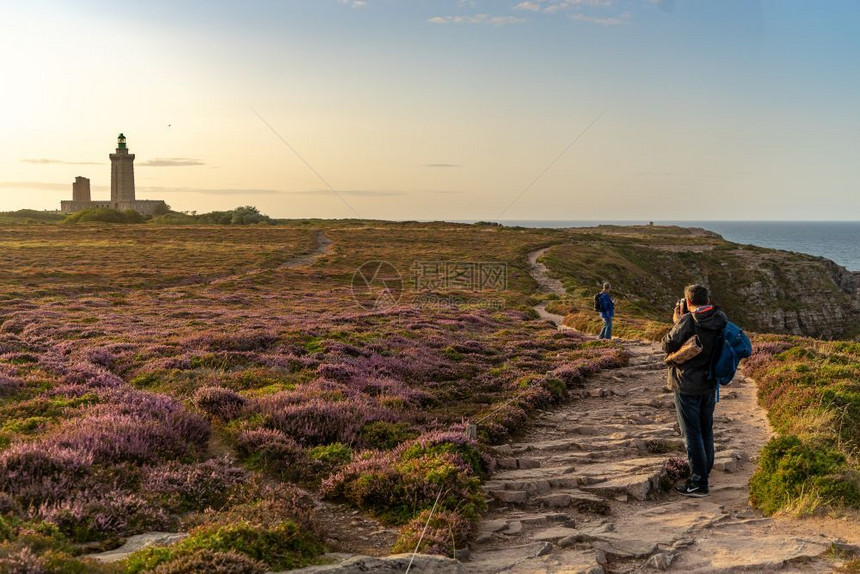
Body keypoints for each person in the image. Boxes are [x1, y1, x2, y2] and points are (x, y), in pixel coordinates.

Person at [662, 284, 727, 498]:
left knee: (692, 434)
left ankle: (699, 482)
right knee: (705, 428)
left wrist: (677, 321)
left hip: (687, 383)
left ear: (688, 302)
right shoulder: (720, 318)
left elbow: (667, 345)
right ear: (708, 299)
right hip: (709, 382)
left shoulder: (689, 320)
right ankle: (704, 470)